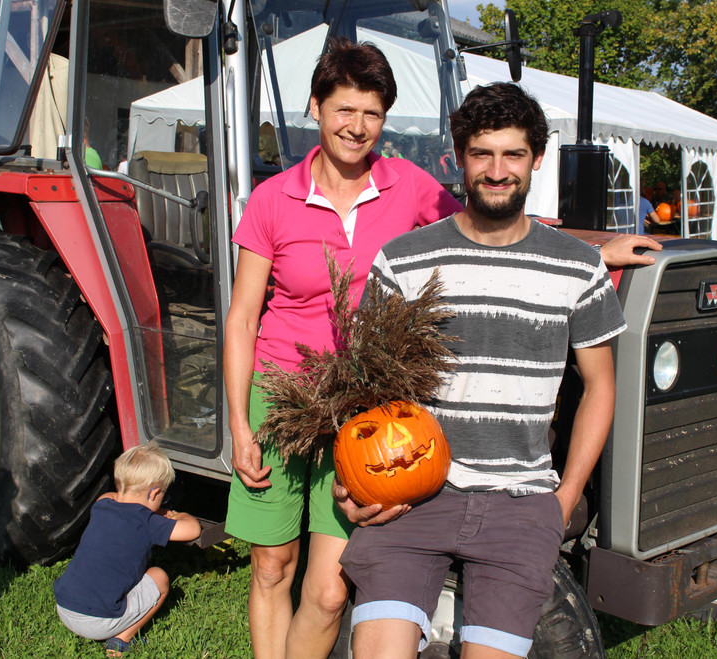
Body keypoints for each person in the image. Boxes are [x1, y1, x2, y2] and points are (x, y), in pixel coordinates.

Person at [225, 39, 660, 659]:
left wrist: (593, 250)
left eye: (372, 113)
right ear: (315, 108)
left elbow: (494, 219)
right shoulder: (274, 198)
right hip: (286, 390)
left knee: (327, 588)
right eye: (343, 109)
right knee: (272, 565)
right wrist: (240, 424)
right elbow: (243, 317)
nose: (356, 126)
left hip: (366, 409)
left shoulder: (407, 186)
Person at [336, 82, 629, 658]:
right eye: (482, 154)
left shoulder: (578, 265)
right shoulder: (404, 259)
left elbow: (600, 386)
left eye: (513, 154)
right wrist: (355, 481)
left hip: (522, 504)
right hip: (413, 498)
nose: (497, 171)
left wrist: (564, 499)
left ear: (536, 159)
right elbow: (367, 388)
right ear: (458, 157)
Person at [54, 442, 201, 657]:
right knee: (159, 578)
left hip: (64, 609)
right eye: (163, 496)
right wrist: (173, 514)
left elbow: (110, 496)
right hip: (99, 621)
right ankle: (122, 639)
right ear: (154, 493)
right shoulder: (147, 522)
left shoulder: (101, 505)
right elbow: (193, 530)